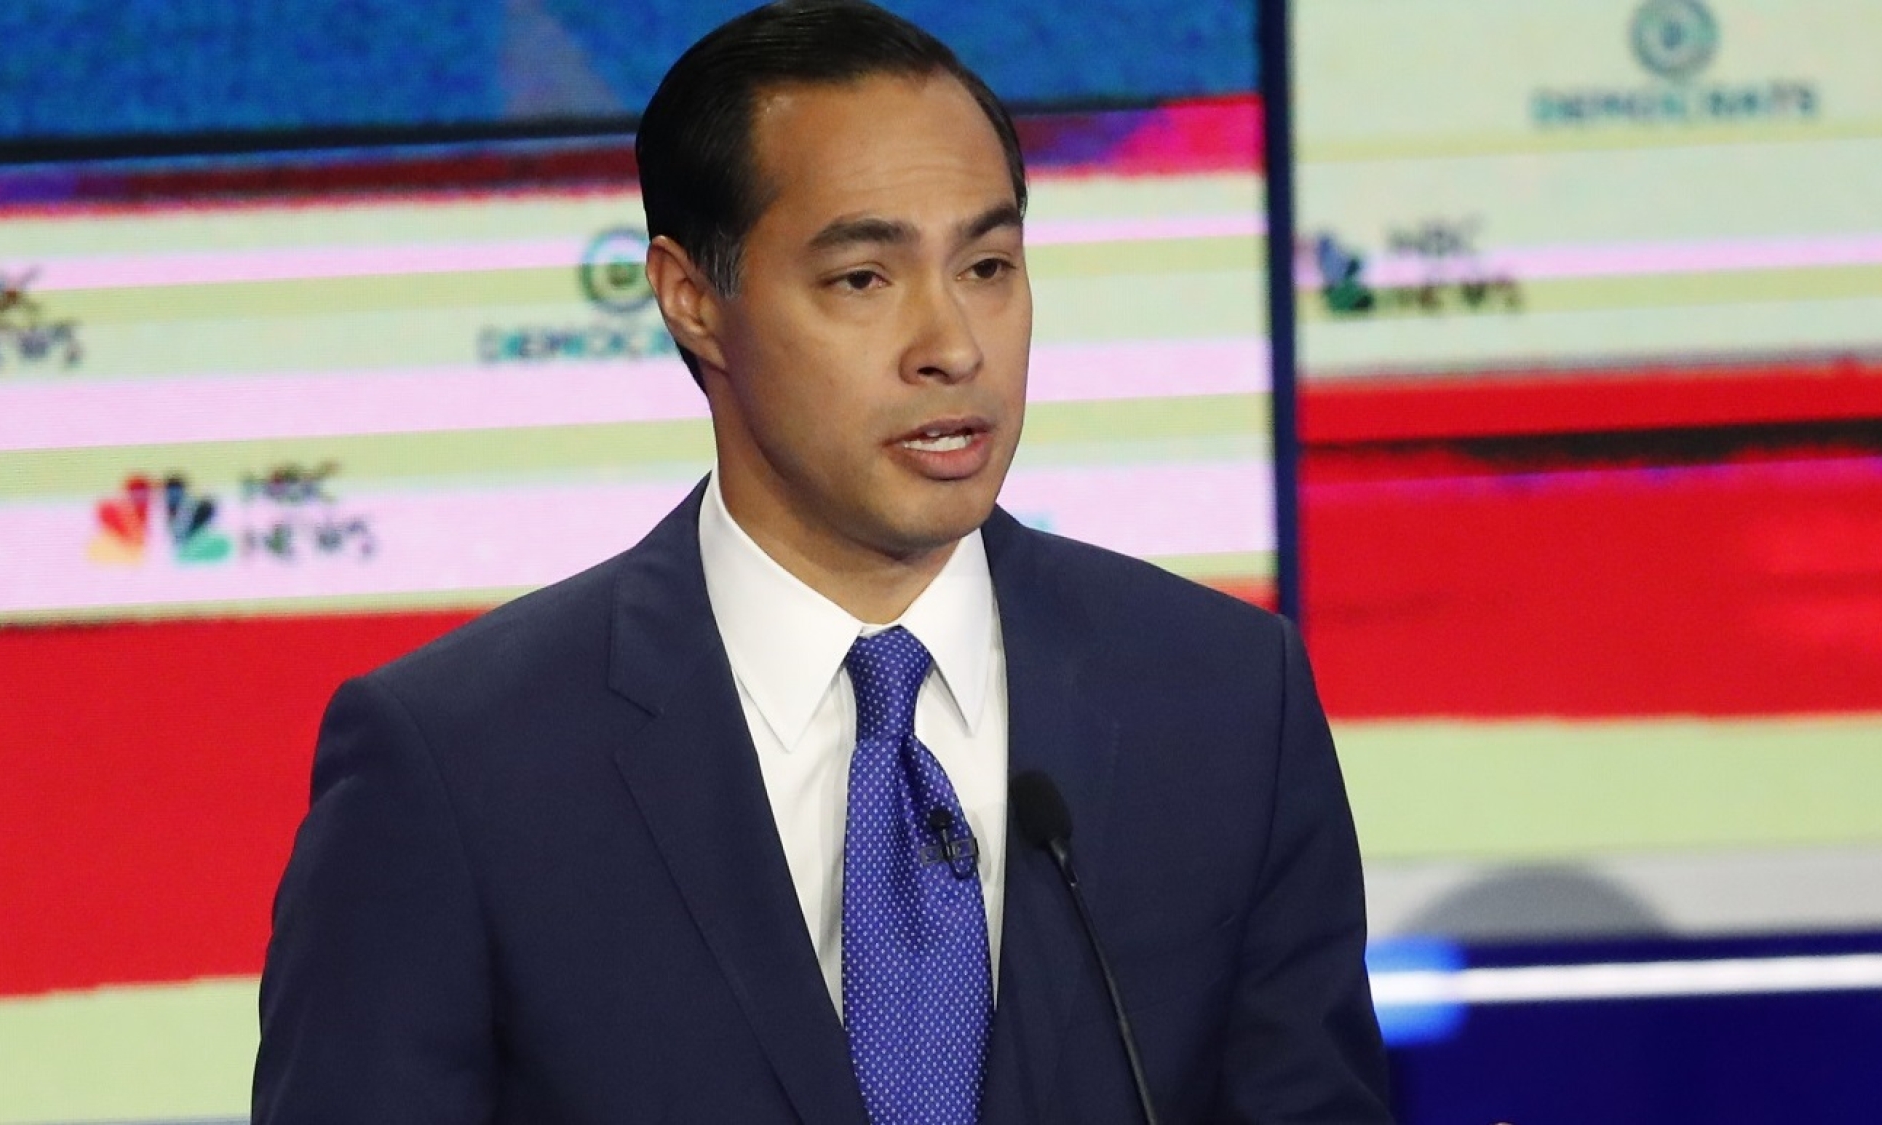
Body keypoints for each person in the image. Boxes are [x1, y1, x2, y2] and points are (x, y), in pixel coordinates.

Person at [251, 2, 1391, 1122]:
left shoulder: (1225, 701)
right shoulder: (461, 767)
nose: (952, 346)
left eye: (987, 266)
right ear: (693, 299)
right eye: (861, 279)